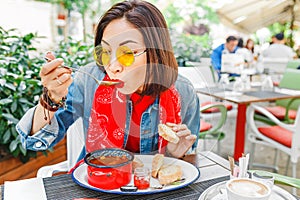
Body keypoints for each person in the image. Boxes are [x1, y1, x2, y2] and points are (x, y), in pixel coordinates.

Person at [16, 0, 200, 163]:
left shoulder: (184, 92)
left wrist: (175, 154)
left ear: (156, 53)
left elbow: (186, 158)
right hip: (97, 182)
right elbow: (35, 141)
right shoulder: (88, 80)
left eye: (127, 53)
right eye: (105, 52)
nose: (112, 66)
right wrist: (51, 97)